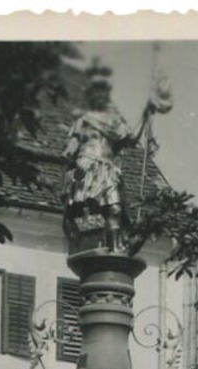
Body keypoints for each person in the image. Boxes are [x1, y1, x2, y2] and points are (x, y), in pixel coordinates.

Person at [63, 64, 155, 251]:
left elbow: (131, 139)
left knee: (115, 209)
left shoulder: (115, 122)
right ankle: (92, 246)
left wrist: (145, 117)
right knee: (89, 212)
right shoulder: (84, 119)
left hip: (108, 170)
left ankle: (114, 251)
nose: (99, 95)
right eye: (95, 92)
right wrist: (72, 162)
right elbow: (70, 149)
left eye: (103, 91)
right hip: (87, 166)